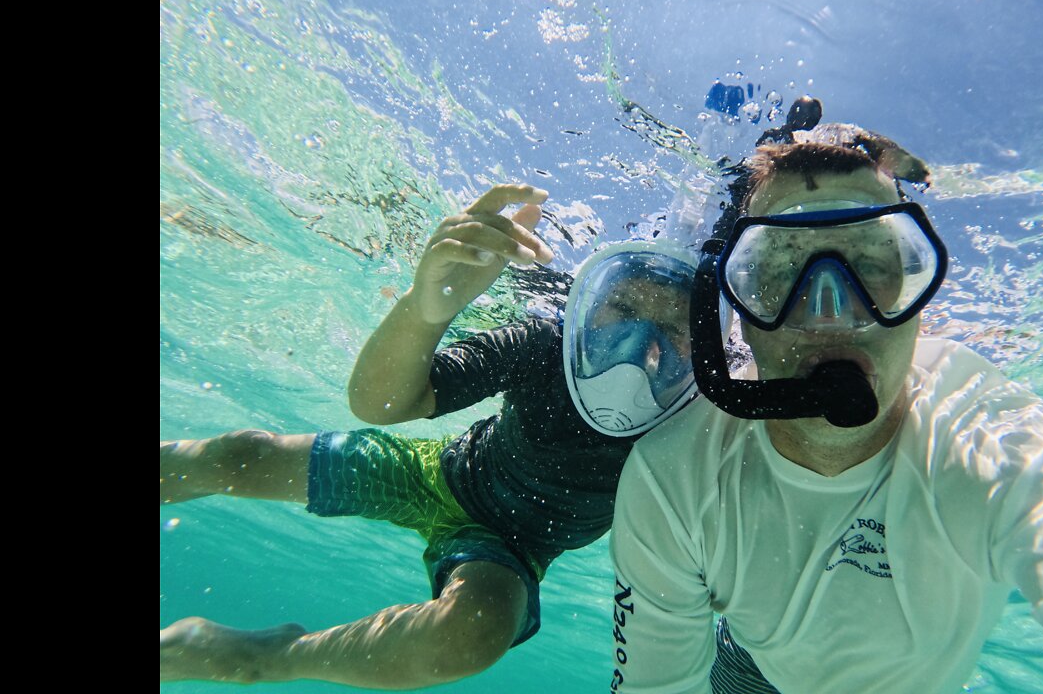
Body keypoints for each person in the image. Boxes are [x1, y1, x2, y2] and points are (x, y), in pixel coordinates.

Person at [608, 123, 1043, 693]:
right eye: (778, 270)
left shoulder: (990, 438)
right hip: (751, 667)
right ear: (737, 308)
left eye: (873, 264)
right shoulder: (674, 474)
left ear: (914, 281)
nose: (830, 313)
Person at [160, 184, 702, 688]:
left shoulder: (697, 410)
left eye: (672, 328)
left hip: (515, 547)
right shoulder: (545, 346)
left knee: (473, 633)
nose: (638, 345)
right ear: (586, 307)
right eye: (622, 311)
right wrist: (427, 308)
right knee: (244, 455)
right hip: (435, 472)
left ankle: (275, 657)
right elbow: (381, 403)